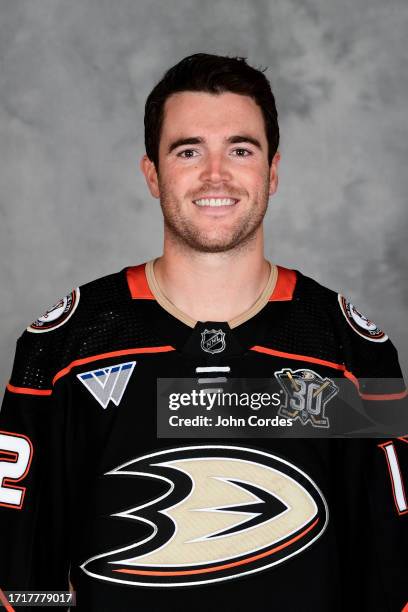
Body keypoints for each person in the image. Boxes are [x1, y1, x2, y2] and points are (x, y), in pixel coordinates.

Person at [0, 53, 407, 611]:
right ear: (152, 174)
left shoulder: (349, 349)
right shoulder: (65, 345)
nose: (216, 175)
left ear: (273, 170)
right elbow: (19, 577)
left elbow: (394, 571)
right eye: (188, 151)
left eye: (240, 150)